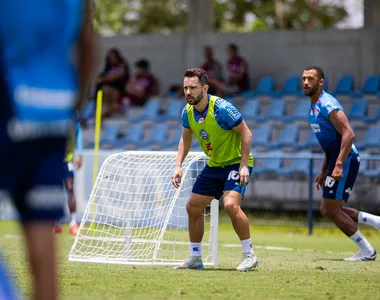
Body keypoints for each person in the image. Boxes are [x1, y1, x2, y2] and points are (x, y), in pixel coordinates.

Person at [0, 1, 95, 300]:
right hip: (53, 109)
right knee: (43, 254)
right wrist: (73, 106)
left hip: (9, 100)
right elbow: (89, 47)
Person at [172, 68, 258, 271]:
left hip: (235, 162)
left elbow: (246, 134)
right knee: (192, 206)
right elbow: (185, 138)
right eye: (185, 88)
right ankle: (195, 257)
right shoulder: (187, 112)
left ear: (205, 87)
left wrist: (244, 165)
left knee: (230, 205)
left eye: (192, 87)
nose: (188, 92)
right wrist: (178, 166)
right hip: (214, 164)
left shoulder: (222, 108)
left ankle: (249, 254)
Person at [303, 66, 380, 261]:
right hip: (338, 160)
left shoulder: (328, 104)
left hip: (346, 161)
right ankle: (375, 222)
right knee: (328, 208)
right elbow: (332, 143)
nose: (305, 82)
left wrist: (337, 165)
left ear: (321, 82)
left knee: (330, 209)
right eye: (303, 78)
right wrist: (324, 169)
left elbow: (349, 134)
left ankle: (367, 250)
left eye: (310, 79)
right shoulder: (313, 107)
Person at [53, 121, 84, 235]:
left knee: (70, 188)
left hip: (67, 160)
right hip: (53, 159)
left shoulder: (71, 115)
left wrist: (80, 153)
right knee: (54, 190)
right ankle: (56, 222)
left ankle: (73, 222)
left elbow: (78, 133)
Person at [95, 48, 129, 117]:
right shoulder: (108, 67)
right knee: (104, 90)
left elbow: (117, 76)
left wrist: (104, 79)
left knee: (106, 90)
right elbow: (100, 78)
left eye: (113, 57)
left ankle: (108, 111)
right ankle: (105, 111)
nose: (111, 59)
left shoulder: (122, 65)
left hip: (118, 88)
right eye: (109, 58)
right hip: (106, 89)